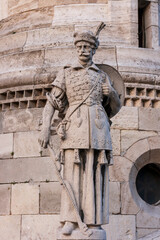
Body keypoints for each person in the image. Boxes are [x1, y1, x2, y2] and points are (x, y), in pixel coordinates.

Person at [39, 27, 121, 236]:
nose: (83, 50)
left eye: (88, 47)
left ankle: (93, 221)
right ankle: (70, 219)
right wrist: (45, 129)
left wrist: (111, 93)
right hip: (74, 126)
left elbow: (115, 106)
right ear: (76, 49)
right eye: (80, 47)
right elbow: (51, 103)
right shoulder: (66, 73)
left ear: (93, 50)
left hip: (98, 126)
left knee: (95, 173)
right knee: (72, 174)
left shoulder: (102, 75)